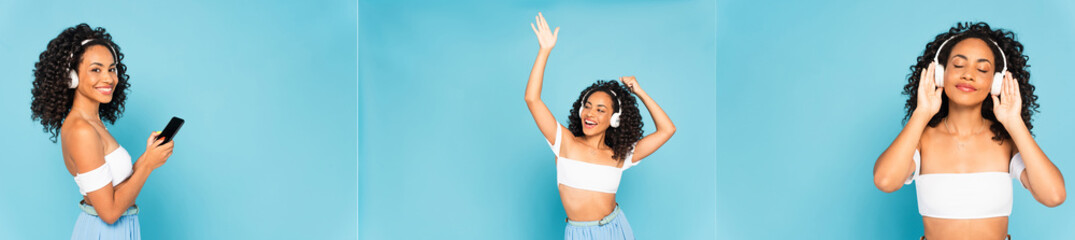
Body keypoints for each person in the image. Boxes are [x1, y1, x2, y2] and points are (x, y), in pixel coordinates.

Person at [872, 22, 1065, 240]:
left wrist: (1014, 122)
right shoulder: (921, 139)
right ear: (940, 73)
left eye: (982, 69)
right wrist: (922, 112)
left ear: (996, 82)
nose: (968, 75)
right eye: (958, 65)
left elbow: (1054, 195)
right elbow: (885, 180)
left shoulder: (1006, 142)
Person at [524, 13, 676, 239]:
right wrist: (544, 51)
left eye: (600, 110)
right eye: (587, 105)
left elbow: (667, 130)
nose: (590, 113)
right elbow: (532, 99)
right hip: (578, 233)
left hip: (616, 229)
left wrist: (640, 92)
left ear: (614, 119)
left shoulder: (620, 155)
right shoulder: (564, 142)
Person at [31, 23, 174, 240]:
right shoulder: (81, 130)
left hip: (121, 229)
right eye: (96, 69)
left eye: (112, 68)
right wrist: (148, 165)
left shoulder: (93, 122)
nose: (108, 78)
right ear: (72, 77)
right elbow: (109, 213)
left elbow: (115, 188)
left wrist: (149, 156)